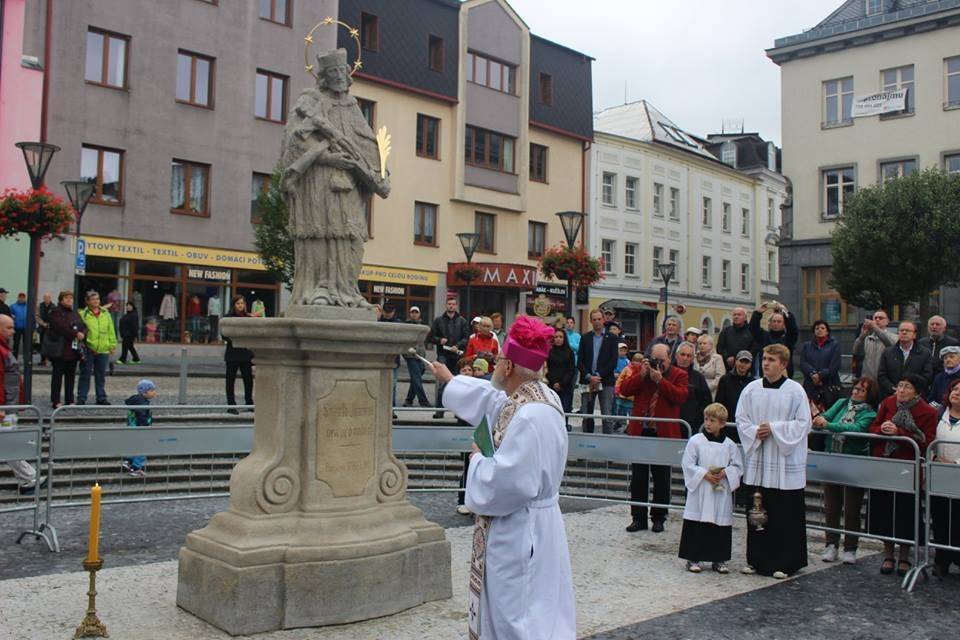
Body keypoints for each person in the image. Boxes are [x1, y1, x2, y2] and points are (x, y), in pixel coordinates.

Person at [432, 315, 575, 639]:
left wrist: (477, 459)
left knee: (516, 614)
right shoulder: (540, 398)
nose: (495, 365)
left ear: (508, 366)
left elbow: (510, 484)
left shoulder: (528, 416)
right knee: (538, 608)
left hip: (520, 531)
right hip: (537, 526)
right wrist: (451, 381)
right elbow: (493, 399)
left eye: (498, 360)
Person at [280, 48, 389, 308]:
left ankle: (348, 291)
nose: (339, 76)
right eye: (332, 71)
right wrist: (328, 158)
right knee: (322, 233)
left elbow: (366, 143)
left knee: (352, 238)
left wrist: (378, 171)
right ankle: (319, 289)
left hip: (349, 183)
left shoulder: (352, 106)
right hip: (318, 182)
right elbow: (294, 142)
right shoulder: (309, 102)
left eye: (342, 70)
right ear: (323, 76)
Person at [736, 344, 812, 579]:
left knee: (784, 513)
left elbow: (804, 423)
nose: (766, 363)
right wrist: (754, 432)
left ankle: (786, 562)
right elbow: (741, 418)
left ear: (783, 364)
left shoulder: (795, 391)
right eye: (764, 359)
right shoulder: (751, 389)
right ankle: (757, 560)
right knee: (758, 510)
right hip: (759, 458)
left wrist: (775, 429)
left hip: (784, 462)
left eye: (771, 360)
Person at [867, 372, 937, 576]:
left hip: (908, 468)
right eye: (900, 385)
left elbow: (927, 441)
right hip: (884, 464)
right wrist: (882, 429)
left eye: (907, 387)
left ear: (917, 392)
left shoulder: (927, 412)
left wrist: (901, 433)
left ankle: (905, 556)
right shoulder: (888, 403)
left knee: (906, 513)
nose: (902, 390)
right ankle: (888, 554)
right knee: (884, 510)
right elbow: (873, 426)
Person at [621, 343, 689, 533]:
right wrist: (642, 375)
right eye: (654, 360)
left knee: (662, 478)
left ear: (669, 359)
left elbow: (680, 397)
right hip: (641, 432)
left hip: (663, 434)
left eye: (662, 360)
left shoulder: (679, 374)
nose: (658, 364)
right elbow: (624, 390)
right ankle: (638, 518)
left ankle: (659, 517)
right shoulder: (641, 371)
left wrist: (660, 380)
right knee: (638, 478)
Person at [811, 377, 879, 564]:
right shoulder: (842, 403)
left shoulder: (870, 414)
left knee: (851, 508)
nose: (856, 392)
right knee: (831, 506)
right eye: (855, 388)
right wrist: (820, 420)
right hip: (832, 457)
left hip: (854, 461)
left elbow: (856, 429)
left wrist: (829, 426)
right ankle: (831, 544)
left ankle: (850, 547)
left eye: (861, 390)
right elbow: (827, 415)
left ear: (869, 395)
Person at [679, 402, 743, 574]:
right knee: (696, 522)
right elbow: (687, 464)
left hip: (719, 490)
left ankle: (718, 559)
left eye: (712, 420)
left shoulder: (729, 445)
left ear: (722, 423)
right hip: (701, 488)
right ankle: (693, 558)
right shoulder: (696, 441)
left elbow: (738, 466)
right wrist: (704, 474)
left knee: (719, 523)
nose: (707, 423)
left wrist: (725, 473)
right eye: (706, 419)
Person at [0, 314, 43, 494]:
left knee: (7, 442)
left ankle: (29, 476)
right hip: (4, 407)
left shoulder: (4, 348)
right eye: (9, 327)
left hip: (8, 406)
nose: (13, 331)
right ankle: (29, 477)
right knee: (7, 442)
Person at [931, 378, 960, 577]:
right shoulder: (938, 414)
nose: (956, 392)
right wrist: (934, 457)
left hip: (957, 472)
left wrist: (955, 463)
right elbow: (929, 438)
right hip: (939, 473)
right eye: (954, 389)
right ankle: (941, 559)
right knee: (940, 517)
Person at [577, 308, 620, 434]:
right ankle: (587, 441)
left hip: (605, 381)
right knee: (586, 415)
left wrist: (598, 375)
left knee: (607, 416)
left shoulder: (612, 338)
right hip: (588, 381)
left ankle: (607, 442)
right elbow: (579, 361)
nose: (597, 322)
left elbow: (613, 361)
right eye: (594, 319)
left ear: (603, 320)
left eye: (599, 319)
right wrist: (589, 376)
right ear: (591, 321)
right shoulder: (585, 338)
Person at [428, 297, 470, 416]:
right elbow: (430, 337)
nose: (451, 306)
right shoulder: (438, 320)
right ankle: (439, 411)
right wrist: (439, 340)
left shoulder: (462, 321)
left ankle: (458, 412)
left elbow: (466, 337)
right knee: (442, 383)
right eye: (449, 304)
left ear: (456, 306)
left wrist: (458, 345)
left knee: (458, 384)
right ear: (446, 305)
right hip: (443, 355)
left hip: (457, 356)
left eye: (453, 304)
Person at [77, 291, 117, 406]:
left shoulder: (106, 314)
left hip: (103, 348)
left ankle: (101, 397)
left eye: (97, 299)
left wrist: (112, 345)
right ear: (87, 301)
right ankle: (81, 397)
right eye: (93, 299)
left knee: (101, 375)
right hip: (88, 348)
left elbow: (111, 330)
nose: (96, 301)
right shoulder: (83, 314)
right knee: (85, 374)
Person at [46, 291, 85, 408]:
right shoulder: (56, 311)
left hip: (73, 350)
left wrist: (83, 333)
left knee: (70, 376)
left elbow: (83, 325)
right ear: (61, 300)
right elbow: (60, 327)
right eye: (66, 298)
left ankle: (70, 399)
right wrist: (75, 333)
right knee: (57, 376)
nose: (69, 300)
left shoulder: (74, 312)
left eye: (71, 298)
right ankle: (56, 400)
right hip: (60, 350)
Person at [877, 321, 933, 399]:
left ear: (914, 335)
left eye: (907, 330)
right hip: (891, 396)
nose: (904, 332)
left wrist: (910, 389)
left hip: (915, 397)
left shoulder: (925, 353)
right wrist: (893, 389)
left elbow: (927, 376)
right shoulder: (888, 352)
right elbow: (881, 375)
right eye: (901, 330)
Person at [799, 320, 842, 411]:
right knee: (810, 410)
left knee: (829, 410)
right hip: (811, 383)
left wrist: (820, 375)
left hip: (829, 384)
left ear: (827, 331)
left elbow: (835, 365)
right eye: (817, 328)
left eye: (822, 328)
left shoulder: (834, 345)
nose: (819, 330)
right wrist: (812, 373)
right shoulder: (807, 346)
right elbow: (803, 363)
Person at [749, 302, 799, 378]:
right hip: (766, 376)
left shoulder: (788, 338)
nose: (776, 323)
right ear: (770, 323)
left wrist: (785, 312)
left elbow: (793, 330)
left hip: (785, 376)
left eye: (779, 321)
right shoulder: (763, 336)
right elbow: (753, 328)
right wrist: (758, 313)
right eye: (774, 321)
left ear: (784, 324)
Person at [224, 295, 254, 414]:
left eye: (242, 303)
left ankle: (249, 402)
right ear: (234, 305)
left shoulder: (248, 318)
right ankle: (231, 405)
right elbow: (224, 334)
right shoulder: (228, 317)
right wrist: (236, 339)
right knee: (230, 381)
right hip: (232, 353)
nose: (240, 306)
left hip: (246, 353)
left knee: (248, 380)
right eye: (238, 303)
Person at [121, 379, 158, 478]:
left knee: (133, 445)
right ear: (144, 392)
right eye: (152, 390)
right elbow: (142, 416)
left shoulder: (135, 400)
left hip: (132, 428)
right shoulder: (142, 403)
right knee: (142, 447)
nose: (154, 392)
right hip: (140, 428)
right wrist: (146, 427)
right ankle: (136, 468)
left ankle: (128, 461)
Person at [676, 341, 711, 436]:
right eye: (682, 354)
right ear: (676, 355)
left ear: (692, 359)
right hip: (670, 423)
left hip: (692, 427)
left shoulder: (698, 378)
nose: (685, 358)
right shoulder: (668, 374)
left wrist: (697, 420)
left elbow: (706, 402)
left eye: (688, 356)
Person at [852, 310, 896, 381]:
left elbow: (892, 344)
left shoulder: (894, 337)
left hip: (885, 380)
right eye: (875, 318)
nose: (877, 320)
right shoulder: (867, 338)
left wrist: (875, 328)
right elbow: (856, 352)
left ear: (887, 321)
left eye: (881, 318)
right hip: (868, 379)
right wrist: (861, 337)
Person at [716, 351, 756, 430]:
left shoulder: (753, 383)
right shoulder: (725, 379)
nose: (743, 364)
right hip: (727, 423)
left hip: (746, 424)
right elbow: (719, 402)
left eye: (746, 362)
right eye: (741, 361)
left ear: (750, 365)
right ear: (736, 361)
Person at [402, 306, 431, 408]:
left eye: (416, 312)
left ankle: (409, 400)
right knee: (417, 378)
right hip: (410, 355)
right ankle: (423, 401)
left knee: (416, 378)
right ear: (410, 314)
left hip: (421, 355)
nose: (414, 314)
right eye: (412, 312)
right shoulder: (406, 326)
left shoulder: (423, 326)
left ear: (419, 314)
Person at [546, 328, 576, 421]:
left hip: (566, 387)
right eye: (556, 337)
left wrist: (561, 384)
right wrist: (554, 382)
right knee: (552, 413)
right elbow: (547, 369)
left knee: (564, 411)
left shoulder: (570, 352)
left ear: (564, 339)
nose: (558, 339)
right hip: (552, 386)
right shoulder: (549, 352)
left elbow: (571, 370)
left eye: (560, 337)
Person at [717, 307, 757, 371]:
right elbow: (720, 348)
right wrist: (727, 357)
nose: (736, 317)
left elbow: (754, 349)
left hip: (746, 367)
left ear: (745, 317)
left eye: (739, 315)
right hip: (727, 367)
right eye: (734, 315)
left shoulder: (751, 331)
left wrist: (737, 358)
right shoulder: (726, 331)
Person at [614, 352, 644, 420]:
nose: (638, 363)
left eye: (640, 362)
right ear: (632, 361)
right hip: (623, 397)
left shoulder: (642, 372)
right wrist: (617, 389)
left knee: (632, 415)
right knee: (621, 414)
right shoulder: (627, 369)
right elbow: (620, 379)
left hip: (633, 399)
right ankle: (620, 424)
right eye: (636, 361)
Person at [695, 334, 725, 399]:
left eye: (704, 343)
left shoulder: (717, 358)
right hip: (695, 391)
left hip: (711, 392)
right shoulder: (693, 357)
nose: (702, 345)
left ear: (711, 345)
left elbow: (720, 377)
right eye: (700, 344)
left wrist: (706, 387)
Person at [37, 293, 55, 366]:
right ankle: (43, 360)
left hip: (51, 328)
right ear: (43, 298)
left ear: (50, 298)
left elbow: (55, 317)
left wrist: (49, 324)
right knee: (41, 344)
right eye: (45, 297)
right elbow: (37, 316)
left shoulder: (53, 306)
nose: (47, 299)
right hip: (42, 328)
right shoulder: (40, 306)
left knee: (50, 344)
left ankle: (49, 359)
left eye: (48, 297)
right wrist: (42, 323)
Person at [10, 293, 27, 360]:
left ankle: (26, 359)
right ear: (18, 298)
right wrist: (12, 316)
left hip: (26, 328)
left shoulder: (28, 306)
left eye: (23, 297)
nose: (21, 299)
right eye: (20, 297)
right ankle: (14, 359)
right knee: (16, 343)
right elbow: (9, 315)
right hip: (17, 327)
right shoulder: (13, 306)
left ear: (25, 298)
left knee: (26, 344)